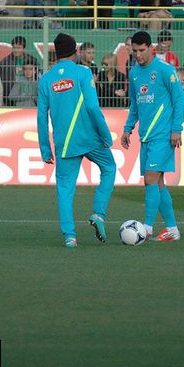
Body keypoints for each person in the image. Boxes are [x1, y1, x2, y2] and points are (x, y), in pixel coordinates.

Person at [37, 33, 116, 248]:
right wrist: (105, 135)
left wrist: (45, 149)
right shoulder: (83, 72)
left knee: (64, 188)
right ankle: (98, 214)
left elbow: (41, 117)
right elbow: (92, 107)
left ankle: (70, 237)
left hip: (64, 143)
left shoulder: (46, 80)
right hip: (89, 137)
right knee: (109, 168)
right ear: (76, 51)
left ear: (56, 53)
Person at [121, 31, 184, 241]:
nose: (138, 54)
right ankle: (172, 229)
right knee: (158, 183)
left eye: (142, 50)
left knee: (150, 179)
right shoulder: (134, 73)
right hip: (146, 136)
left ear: (151, 48)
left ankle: (146, 229)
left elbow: (179, 100)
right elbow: (135, 104)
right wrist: (128, 128)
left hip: (164, 135)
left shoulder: (165, 70)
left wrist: (177, 129)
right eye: (135, 51)